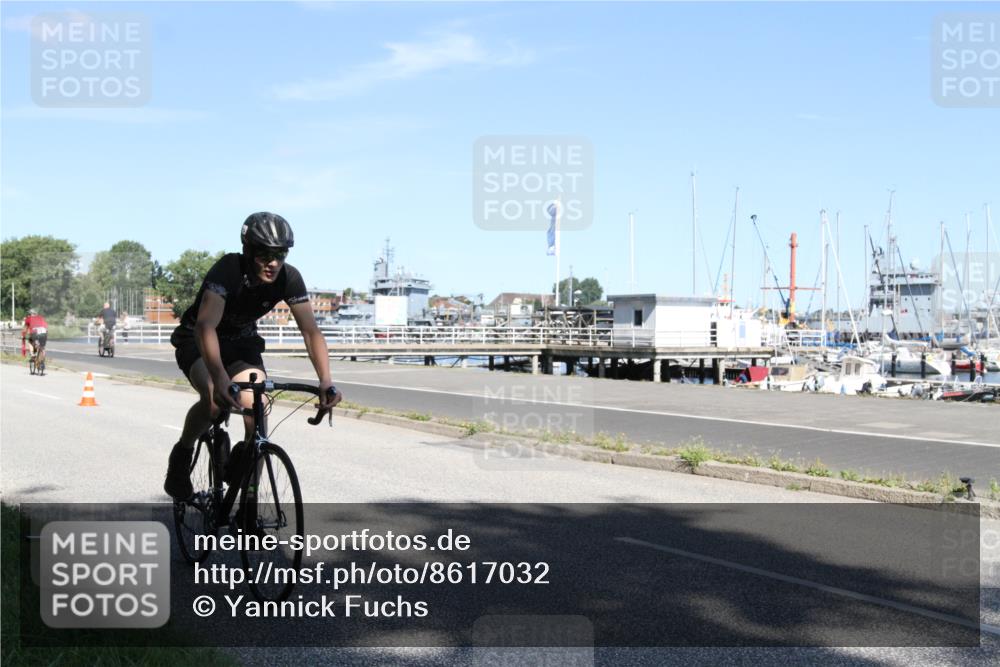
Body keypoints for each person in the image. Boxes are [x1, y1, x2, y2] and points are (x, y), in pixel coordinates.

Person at [163, 212, 342, 500]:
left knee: (256, 404)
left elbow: (311, 331)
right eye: (264, 254)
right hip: (199, 340)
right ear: (248, 250)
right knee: (213, 400)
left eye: (280, 254)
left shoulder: (288, 277)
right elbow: (206, 325)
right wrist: (220, 379)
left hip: (242, 346)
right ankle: (182, 454)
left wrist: (326, 380)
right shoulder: (227, 271)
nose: (273, 262)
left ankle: (249, 499)